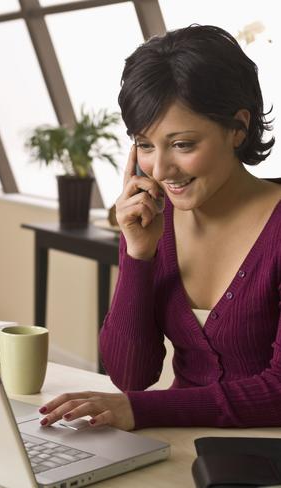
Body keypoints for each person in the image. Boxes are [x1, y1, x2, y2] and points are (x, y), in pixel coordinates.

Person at [39, 24, 281, 430]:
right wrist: (137, 254)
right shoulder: (152, 220)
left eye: (183, 144)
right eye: (146, 145)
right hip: (183, 442)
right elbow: (131, 376)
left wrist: (140, 410)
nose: (162, 169)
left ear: (238, 127)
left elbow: (277, 392)